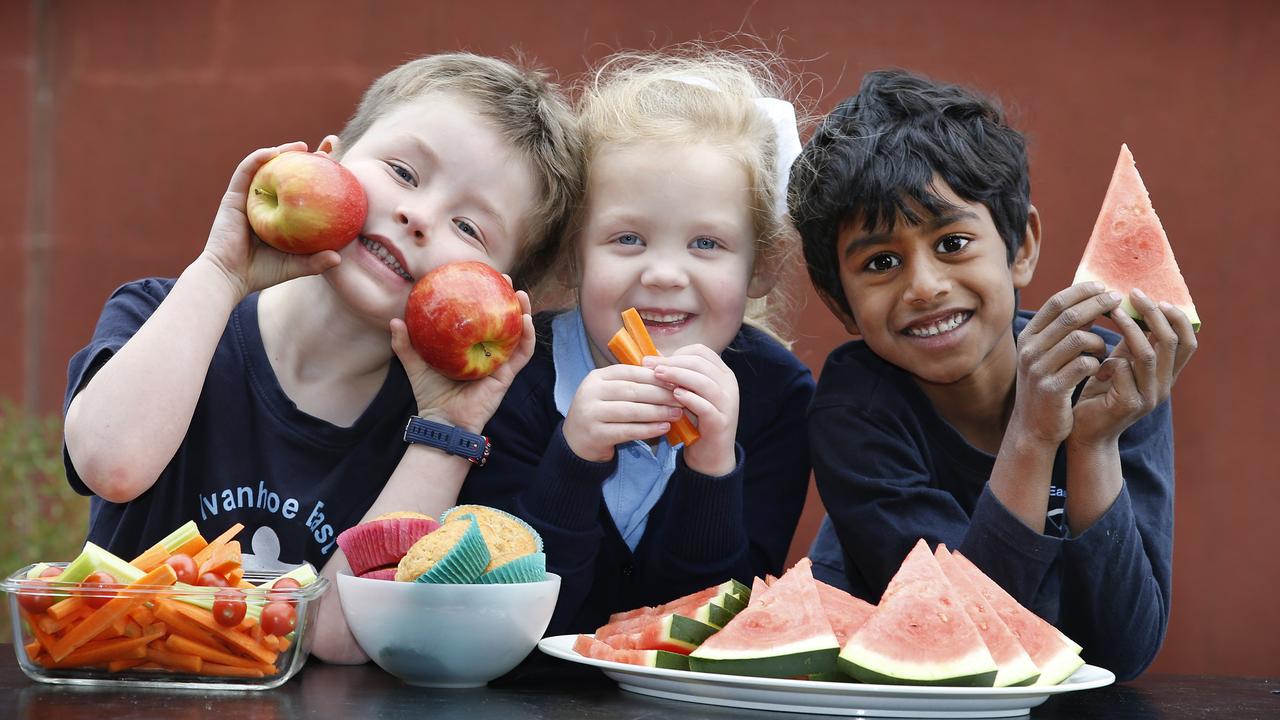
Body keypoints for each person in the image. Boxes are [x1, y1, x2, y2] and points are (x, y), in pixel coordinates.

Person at [60, 53, 583, 663]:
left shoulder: (450, 431)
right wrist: (222, 271)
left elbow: (338, 637)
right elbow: (111, 464)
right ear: (326, 160)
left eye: (469, 228)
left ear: (503, 288)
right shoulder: (160, 314)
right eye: (403, 172)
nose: (418, 216)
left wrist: (446, 430)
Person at [789, 69, 1197, 680]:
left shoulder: (1116, 382)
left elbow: (1125, 650)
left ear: (1022, 246)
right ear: (840, 301)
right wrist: (1033, 436)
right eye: (881, 262)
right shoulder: (856, 410)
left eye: (952, 244)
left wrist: (1093, 443)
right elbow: (971, 643)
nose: (925, 286)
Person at [458, 49, 815, 634]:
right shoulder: (513, 375)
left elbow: (717, 626)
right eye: (628, 238)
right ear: (574, 254)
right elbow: (501, 621)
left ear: (761, 267)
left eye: (706, 243)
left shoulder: (777, 395)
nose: (665, 274)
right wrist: (573, 458)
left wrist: (711, 468)